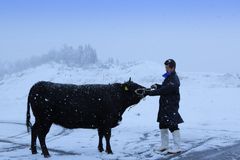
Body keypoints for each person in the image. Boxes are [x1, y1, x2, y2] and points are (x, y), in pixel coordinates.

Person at [144, 59, 184, 154]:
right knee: (162, 124)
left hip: (171, 106)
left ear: (172, 67)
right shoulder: (169, 77)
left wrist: (150, 93)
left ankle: (177, 147)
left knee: (173, 125)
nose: (166, 69)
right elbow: (164, 87)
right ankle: (164, 145)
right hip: (164, 105)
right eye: (165, 67)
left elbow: (165, 90)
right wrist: (157, 86)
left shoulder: (174, 78)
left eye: (167, 67)